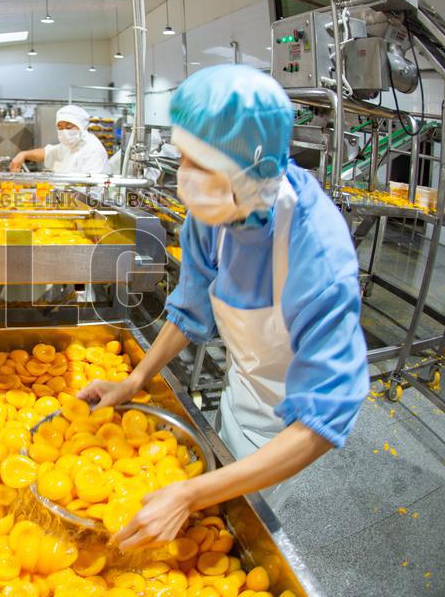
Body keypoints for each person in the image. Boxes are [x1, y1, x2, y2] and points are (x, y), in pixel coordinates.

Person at [78, 65, 368, 550]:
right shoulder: (211, 215)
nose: (186, 180)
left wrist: (191, 494)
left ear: (252, 169)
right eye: (183, 159)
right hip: (241, 388)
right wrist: (135, 379)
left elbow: (323, 420)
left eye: (203, 164)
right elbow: (190, 309)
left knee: (235, 520)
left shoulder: (316, 255)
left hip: (289, 430)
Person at [9, 105, 109, 174]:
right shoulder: (69, 145)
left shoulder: (93, 151)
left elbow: (90, 190)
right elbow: (47, 153)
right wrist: (23, 154)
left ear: (82, 126)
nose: (64, 131)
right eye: (60, 128)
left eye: (69, 127)